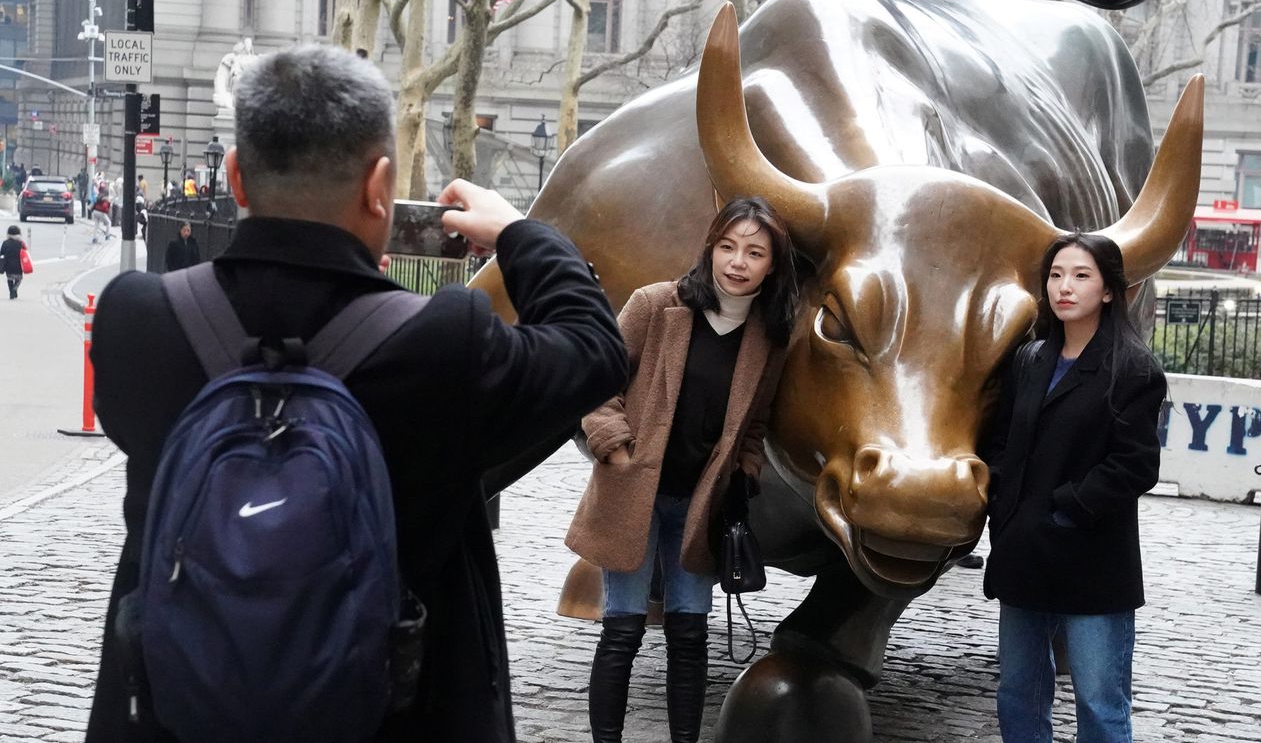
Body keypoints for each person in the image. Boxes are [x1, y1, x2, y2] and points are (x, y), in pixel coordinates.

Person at [85, 44, 628, 742]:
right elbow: (595, 349)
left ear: (235, 178)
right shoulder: (444, 347)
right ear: (378, 186)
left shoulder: (137, 322)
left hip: (173, 716)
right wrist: (523, 235)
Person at [567, 196, 800, 743]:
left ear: (773, 264)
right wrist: (618, 450)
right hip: (633, 496)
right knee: (621, 631)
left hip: (700, 506)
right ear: (710, 249)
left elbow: (757, 421)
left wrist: (743, 475)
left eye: (754, 252)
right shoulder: (655, 304)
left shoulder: (769, 336)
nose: (737, 262)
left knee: (689, 636)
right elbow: (599, 381)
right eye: (727, 247)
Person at [981, 232, 1167, 743]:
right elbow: (1000, 444)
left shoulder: (1133, 368)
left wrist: (1067, 509)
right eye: (1057, 275)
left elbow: (1136, 464)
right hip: (1023, 554)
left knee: (1100, 704)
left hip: (1091, 561)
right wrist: (1005, 506)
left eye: (1082, 276)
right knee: (1018, 691)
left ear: (1109, 291)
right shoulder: (1029, 360)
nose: (1065, 287)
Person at [0, 225, 26, 299]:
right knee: (19, 279)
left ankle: (11, 291)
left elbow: (1, 253)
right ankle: (14, 289)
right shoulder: (21, 243)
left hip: (8, 265)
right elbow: (25, 252)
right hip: (18, 265)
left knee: (10, 278)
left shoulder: (5, 243)